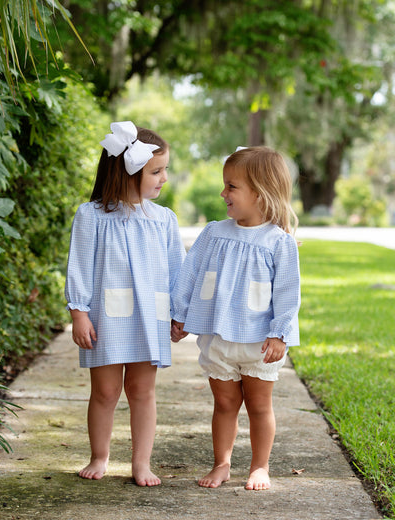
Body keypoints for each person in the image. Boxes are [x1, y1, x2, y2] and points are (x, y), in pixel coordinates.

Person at [171, 146, 300, 491]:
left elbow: (288, 293)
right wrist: (180, 315)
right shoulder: (214, 233)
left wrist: (280, 334)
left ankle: (260, 466)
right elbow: (190, 273)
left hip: (259, 342)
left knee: (259, 405)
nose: (223, 193)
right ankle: (222, 463)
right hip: (219, 339)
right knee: (225, 403)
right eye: (224, 186)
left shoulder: (278, 242)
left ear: (260, 192)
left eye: (231, 187)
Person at [65, 121, 185, 486]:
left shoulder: (163, 220)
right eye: (156, 171)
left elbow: (177, 271)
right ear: (128, 171)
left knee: (142, 390)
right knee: (104, 391)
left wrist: (178, 315)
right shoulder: (92, 216)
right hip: (104, 318)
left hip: (150, 318)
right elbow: (80, 266)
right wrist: (79, 313)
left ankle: (141, 463)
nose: (164, 178)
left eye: (165, 170)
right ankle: (99, 456)